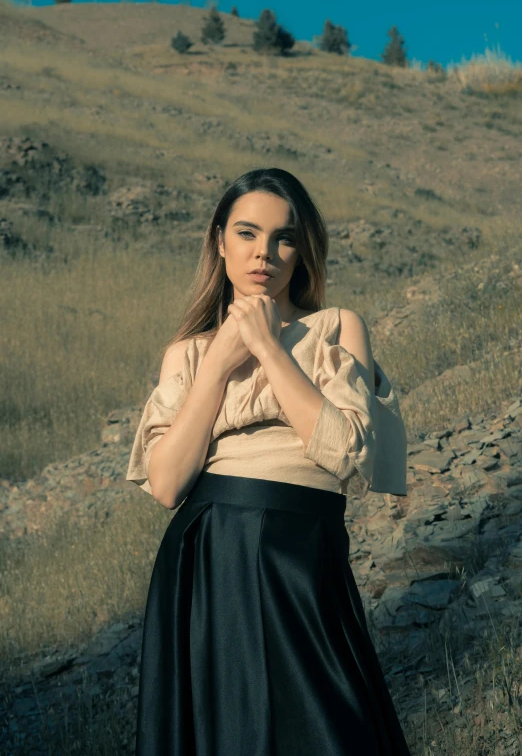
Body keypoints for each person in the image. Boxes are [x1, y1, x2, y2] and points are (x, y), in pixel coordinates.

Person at [126, 167, 411, 755]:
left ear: (302, 251)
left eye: (284, 237)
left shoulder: (336, 329)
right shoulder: (188, 353)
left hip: (304, 552)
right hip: (213, 551)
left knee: (335, 732)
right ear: (220, 241)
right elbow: (166, 482)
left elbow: (342, 456)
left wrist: (266, 346)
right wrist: (218, 361)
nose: (265, 253)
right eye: (248, 234)